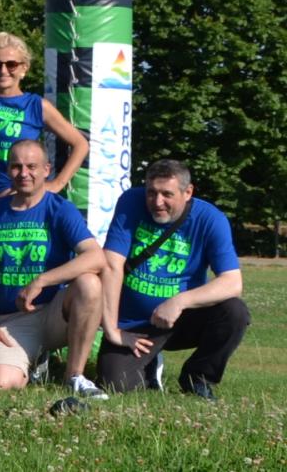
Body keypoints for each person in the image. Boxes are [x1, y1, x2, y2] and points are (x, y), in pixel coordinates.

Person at [97, 160, 250, 399]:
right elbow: (111, 264)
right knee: (115, 386)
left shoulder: (211, 219)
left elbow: (232, 282)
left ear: (188, 192)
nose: (157, 202)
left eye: (167, 194)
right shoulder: (130, 202)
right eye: (151, 193)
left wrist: (178, 302)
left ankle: (197, 378)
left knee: (234, 312)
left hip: (180, 319)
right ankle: (150, 365)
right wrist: (112, 330)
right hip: (134, 324)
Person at [0, 139, 106, 399]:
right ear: (8, 170)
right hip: (12, 319)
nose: (24, 174)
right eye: (16, 166)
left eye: (31, 166)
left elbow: (96, 257)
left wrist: (42, 280)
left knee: (89, 283)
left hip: (55, 312)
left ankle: (74, 375)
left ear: (46, 169)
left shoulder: (60, 208)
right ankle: (34, 360)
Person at [0, 32, 88, 213]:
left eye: (11, 64)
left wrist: (56, 184)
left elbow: (80, 144)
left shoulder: (36, 105)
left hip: (24, 201)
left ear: (24, 68)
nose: (3, 70)